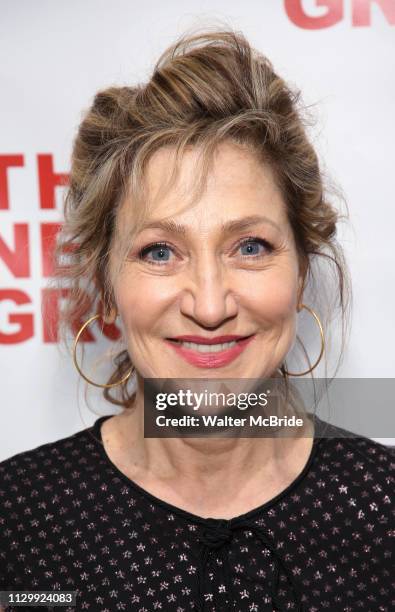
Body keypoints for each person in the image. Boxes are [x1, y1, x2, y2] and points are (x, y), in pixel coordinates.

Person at [0, 29, 394, 612]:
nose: (210, 307)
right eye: (160, 251)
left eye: (251, 246)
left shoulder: (383, 511)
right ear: (104, 283)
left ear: (303, 271)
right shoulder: (19, 520)